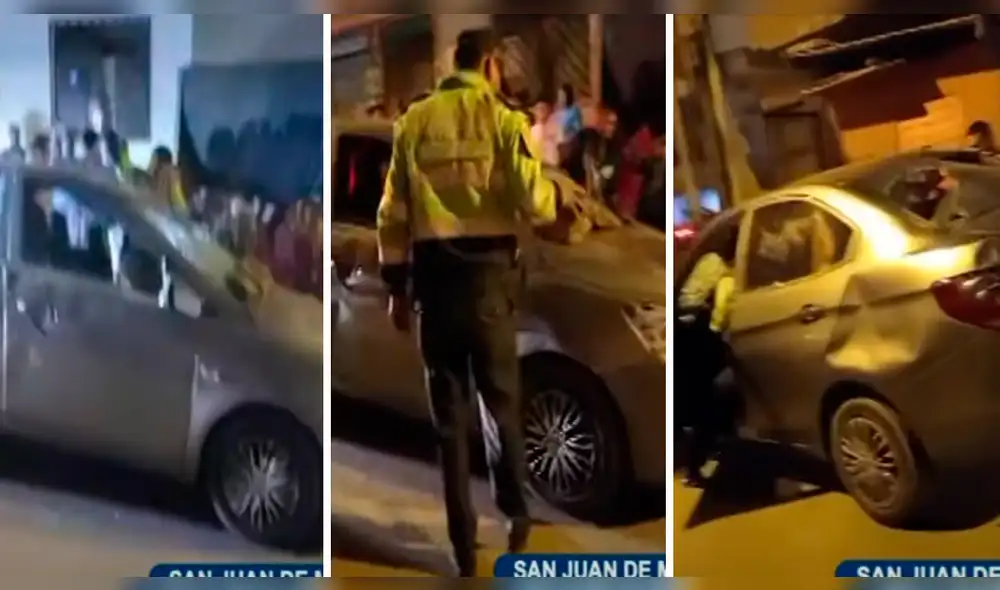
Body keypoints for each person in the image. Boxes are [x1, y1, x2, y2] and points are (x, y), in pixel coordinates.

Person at [376, 27, 560, 577]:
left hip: (435, 289)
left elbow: (392, 215)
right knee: (501, 407)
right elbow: (537, 204)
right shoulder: (503, 120)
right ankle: (516, 515)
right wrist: (552, 197)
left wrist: (395, 288)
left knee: (450, 425)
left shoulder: (413, 123)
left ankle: (463, 546)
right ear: (489, 65)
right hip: (489, 286)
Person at [677, 221, 739, 487]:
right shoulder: (724, 271)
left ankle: (704, 457)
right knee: (709, 400)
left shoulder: (710, 260)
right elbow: (718, 312)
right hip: (699, 335)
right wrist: (716, 337)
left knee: (702, 400)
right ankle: (695, 466)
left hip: (691, 333)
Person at [148, 146, 188, 215]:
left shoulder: (169, 173)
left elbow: (178, 201)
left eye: (153, 159)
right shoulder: (153, 179)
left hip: (165, 217)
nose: (150, 163)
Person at [529, 99, 560, 167]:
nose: (541, 112)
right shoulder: (533, 128)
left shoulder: (552, 126)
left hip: (550, 162)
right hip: (538, 162)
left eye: (543, 110)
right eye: (538, 110)